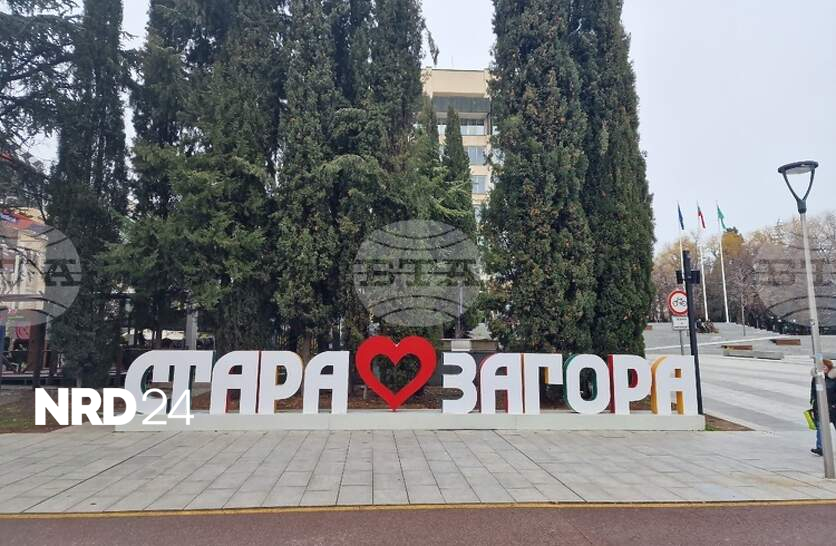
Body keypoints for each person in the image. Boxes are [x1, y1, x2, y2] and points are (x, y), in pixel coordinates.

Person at [810, 359, 836, 456]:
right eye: (821, 367)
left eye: (824, 367)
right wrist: (813, 402)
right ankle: (821, 448)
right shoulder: (817, 378)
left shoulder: (834, 378)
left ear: (829, 367)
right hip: (820, 406)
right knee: (820, 427)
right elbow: (813, 391)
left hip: (833, 407)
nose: (823, 368)